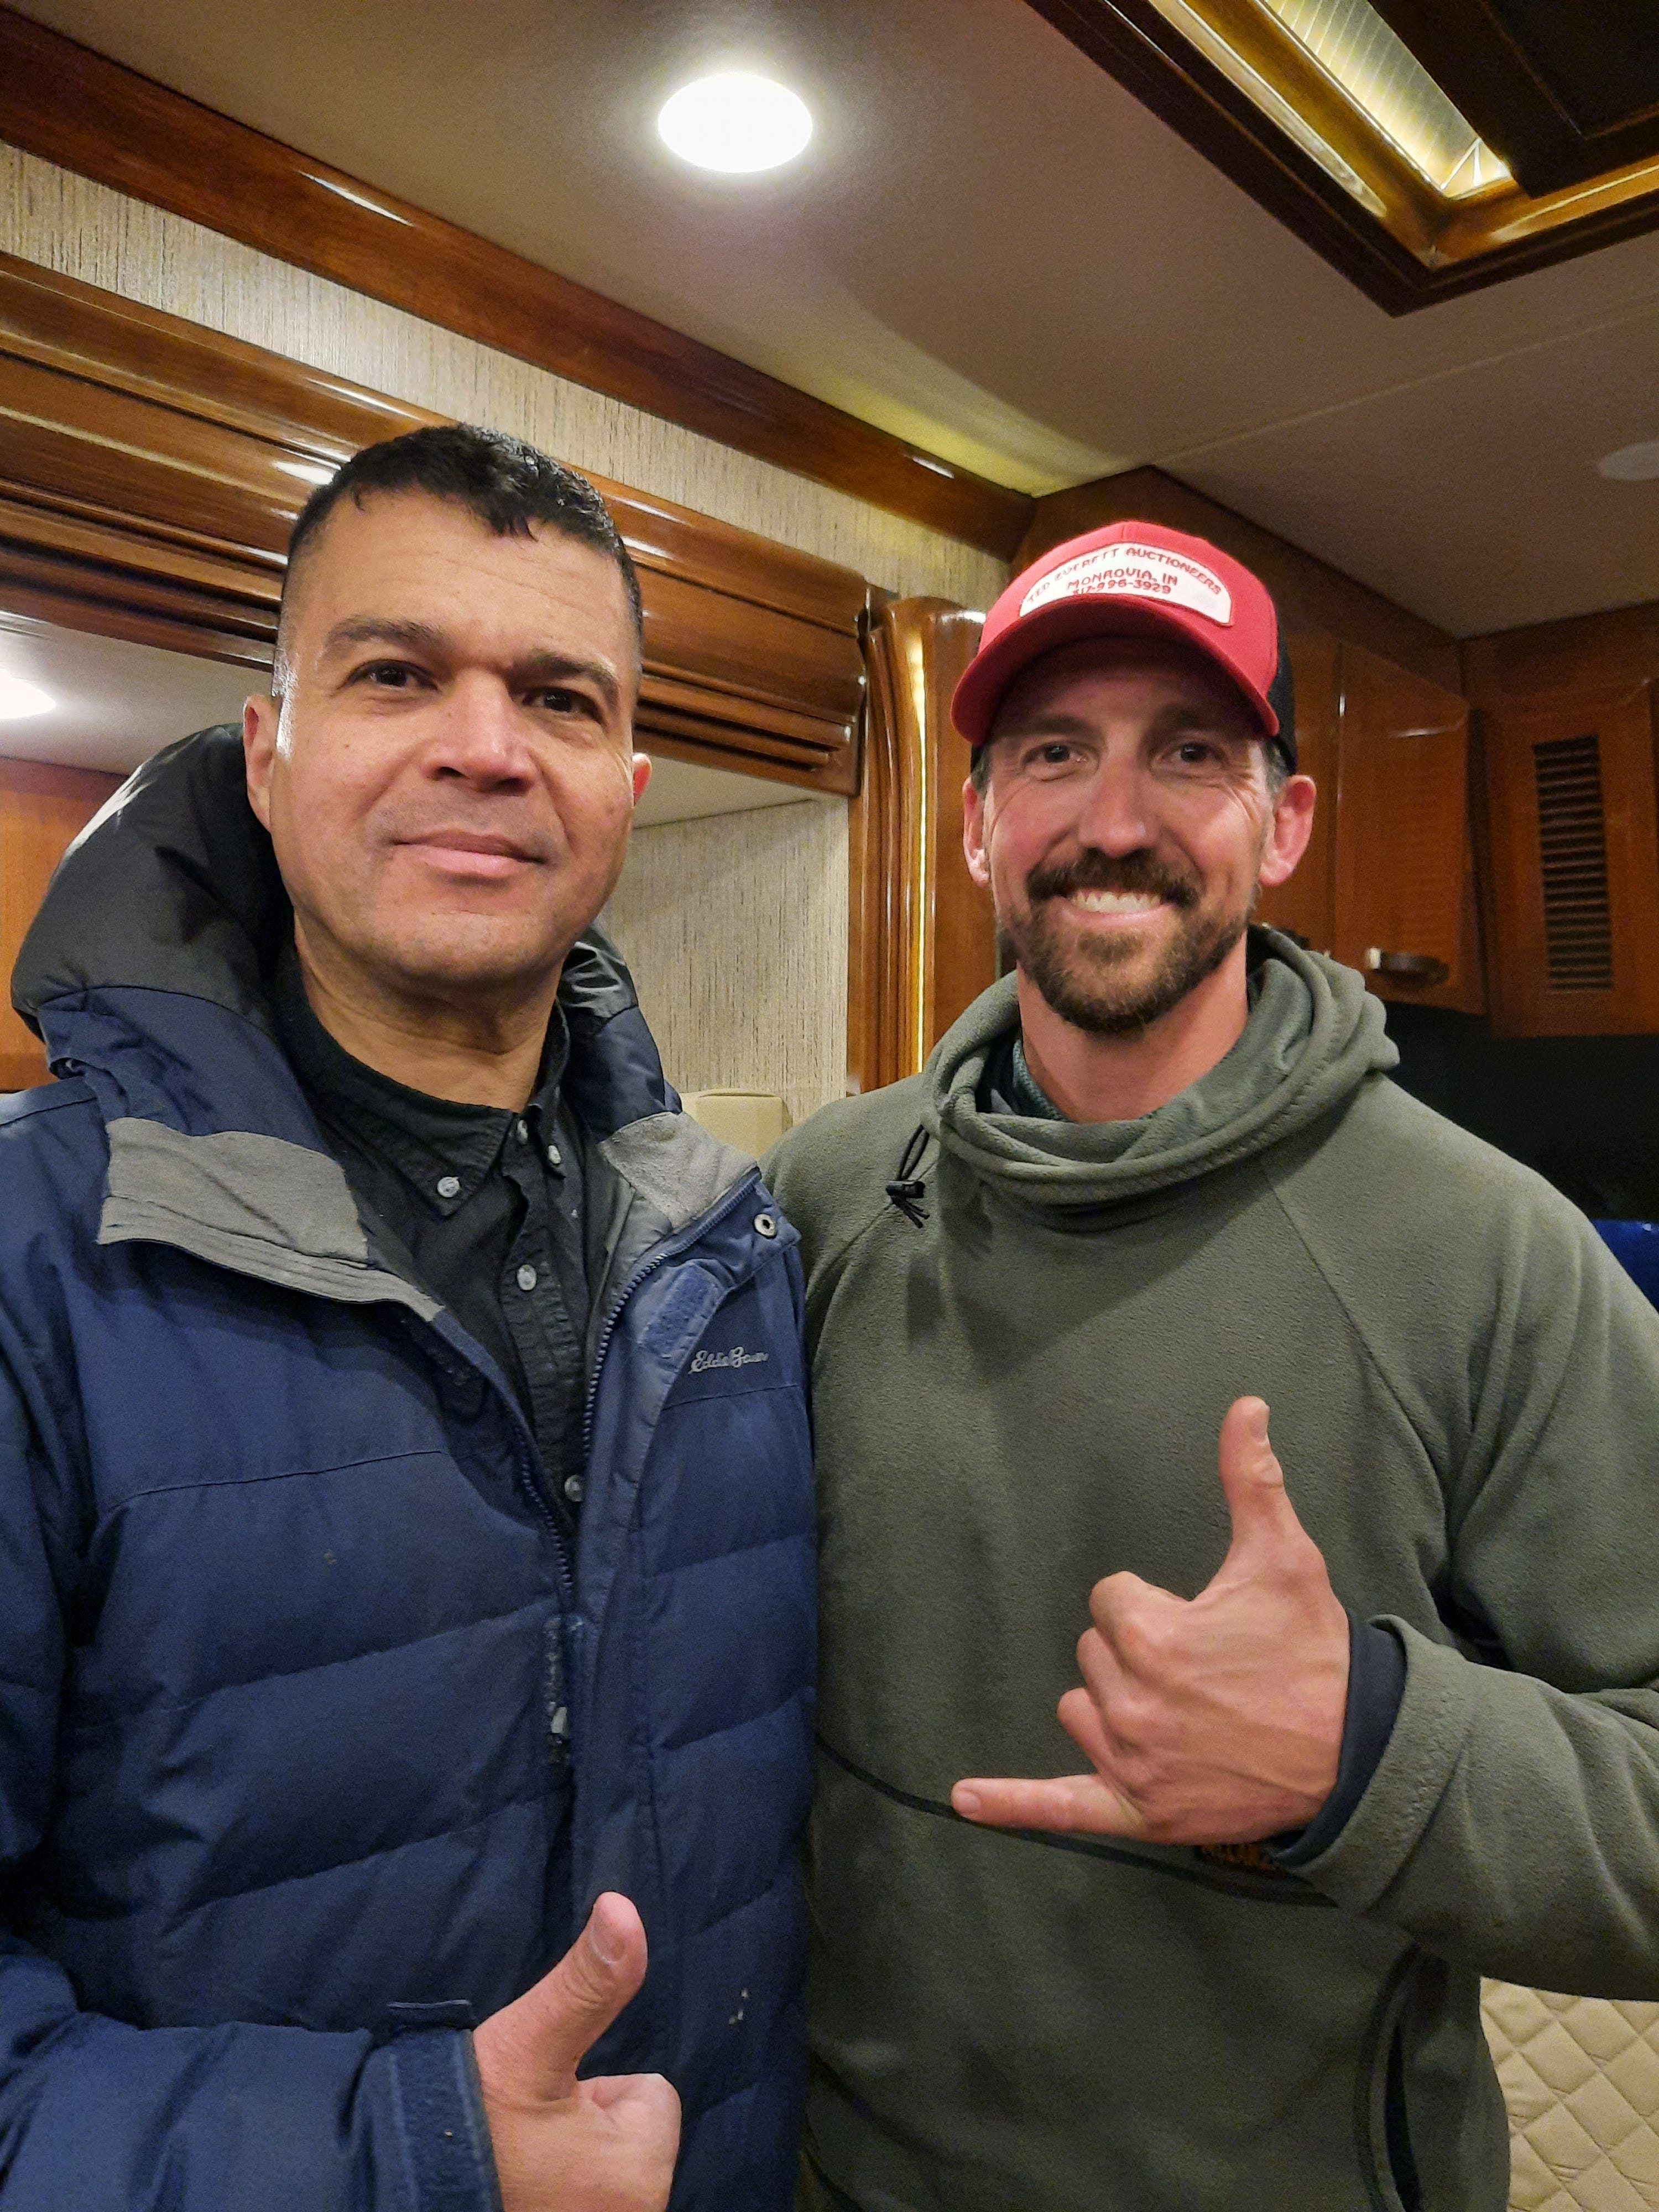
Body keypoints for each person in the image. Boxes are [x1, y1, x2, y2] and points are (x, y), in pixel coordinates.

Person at [766, 519, 1659, 2212]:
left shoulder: (1490, 1253)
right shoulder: (824, 1196)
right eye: (1054, 754)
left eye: (1189, 754)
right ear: (977, 825)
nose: (1115, 821)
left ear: (1286, 821)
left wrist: (1368, 1754)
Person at [0, 425, 815, 2212]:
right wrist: (408, 2159)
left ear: (626, 785)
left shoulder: (737, 1250)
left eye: (560, 698)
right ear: (268, 755)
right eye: (395, 674)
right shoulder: (31, 1259)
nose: (485, 746)